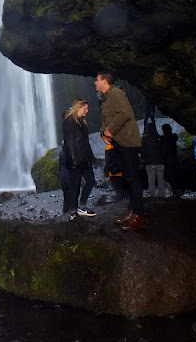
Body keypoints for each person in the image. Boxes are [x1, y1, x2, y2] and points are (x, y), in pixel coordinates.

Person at [95, 71, 145, 231]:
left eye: (97, 80)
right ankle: (132, 210)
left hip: (127, 141)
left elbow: (124, 114)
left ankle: (138, 214)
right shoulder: (106, 98)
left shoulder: (116, 93)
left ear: (104, 81)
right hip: (119, 142)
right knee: (127, 178)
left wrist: (110, 130)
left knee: (132, 178)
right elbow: (106, 119)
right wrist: (104, 133)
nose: (95, 83)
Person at [62, 99, 97, 219]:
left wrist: (91, 156)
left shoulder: (82, 122)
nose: (87, 111)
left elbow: (85, 142)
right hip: (75, 160)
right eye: (85, 108)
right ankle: (73, 211)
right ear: (78, 108)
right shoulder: (69, 122)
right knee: (74, 185)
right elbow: (70, 143)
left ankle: (81, 205)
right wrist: (73, 160)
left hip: (84, 158)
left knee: (91, 181)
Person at [141, 121, 164, 198]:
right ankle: (161, 196)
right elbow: (163, 150)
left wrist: (143, 157)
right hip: (160, 162)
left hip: (149, 162)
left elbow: (141, 149)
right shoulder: (159, 138)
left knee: (151, 181)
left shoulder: (144, 138)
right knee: (161, 180)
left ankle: (152, 196)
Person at [160, 123, 179, 195]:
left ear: (164, 130)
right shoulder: (173, 137)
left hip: (167, 160)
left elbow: (165, 150)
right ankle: (175, 191)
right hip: (174, 159)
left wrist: (162, 158)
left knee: (168, 176)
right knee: (173, 175)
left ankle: (172, 192)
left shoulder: (165, 139)